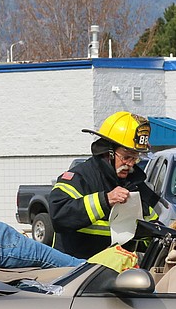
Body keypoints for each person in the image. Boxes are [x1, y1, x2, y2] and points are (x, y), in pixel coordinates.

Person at [50, 111, 160, 259]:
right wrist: (105, 200)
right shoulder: (80, 177)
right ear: (108, 152)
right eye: (126, 157)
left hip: (114, 271)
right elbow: (59, 215)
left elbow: (148, 231)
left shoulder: (135, 184)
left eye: (135, 158)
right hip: (73, 270)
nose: (130, 164)